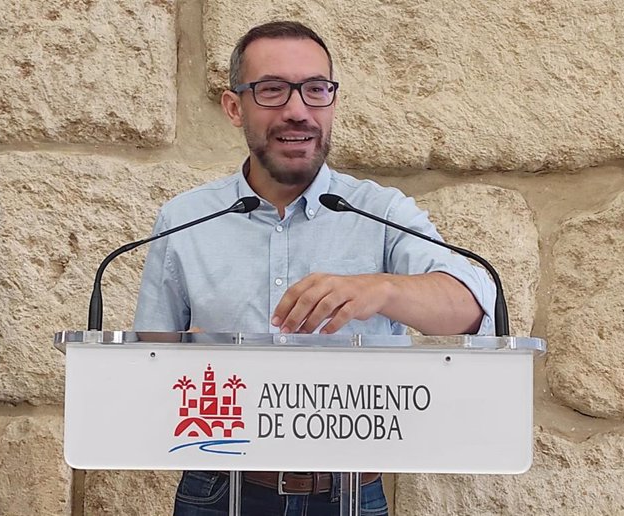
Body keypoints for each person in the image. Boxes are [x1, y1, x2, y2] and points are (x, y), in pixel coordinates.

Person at [134, 20, 496, 516]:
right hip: (218, 491)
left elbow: (473, 306)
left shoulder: (380, 211)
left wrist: (382, 290)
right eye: (272, 91)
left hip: (351, 494)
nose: (297, 111)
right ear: (234, 107)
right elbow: (149, 368)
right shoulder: (185, 219)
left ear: (332, 101)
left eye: (315, 90)